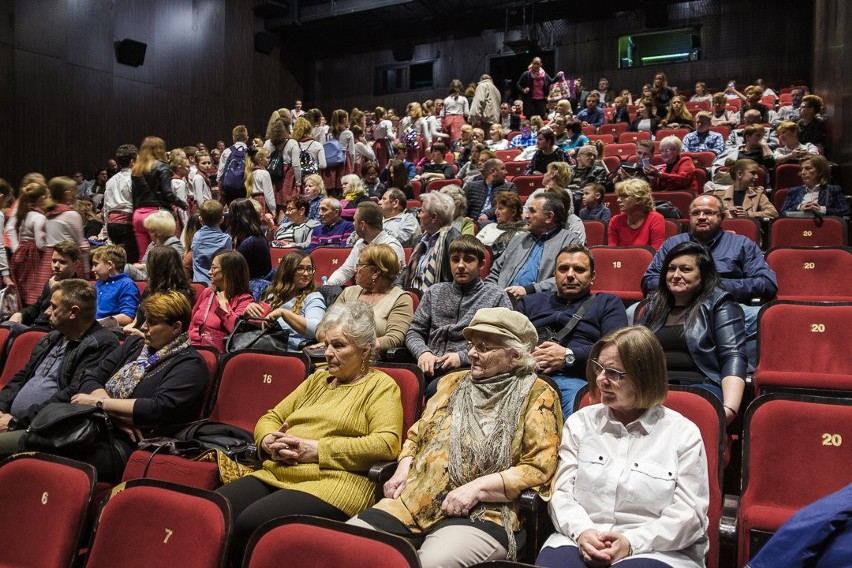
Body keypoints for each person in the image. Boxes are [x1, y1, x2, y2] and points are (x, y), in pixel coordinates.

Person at [350, 307, 561, 567]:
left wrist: (476, 489)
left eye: (483, 347)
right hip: (415, 499)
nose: (471, 353)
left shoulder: (537, 393)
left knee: (430, 564)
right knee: (350, 546)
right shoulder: (450, 383)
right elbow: (417, 435)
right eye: (472, 344)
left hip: (483, 512)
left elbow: (539, 466)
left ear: (514, 356)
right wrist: (403, 468)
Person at [216, 301, 403, 563]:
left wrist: (317, 451)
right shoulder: (317, 379)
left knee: (251, 522)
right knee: (216, 509)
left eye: (338, 346)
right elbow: (271, 416)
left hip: (334, 482)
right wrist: (269, 440)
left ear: (364, 350)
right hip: (280, 470)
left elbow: (386, 445)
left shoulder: (382, 387)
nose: (327, 353)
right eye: (326, 344)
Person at [538, 326, 709, 568]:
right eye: (599, 368)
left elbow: (690, 515)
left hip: (657, 549)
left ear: (645, 376)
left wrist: (631, 542)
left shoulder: (683, 433)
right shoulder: (581, 423)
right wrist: (583, 531)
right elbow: (562, 493)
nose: (600, 379)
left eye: (614, 373)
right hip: (579, 538)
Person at [70, 291, 209, 478]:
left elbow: (157, 408)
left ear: (176, 328)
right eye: (145, 320)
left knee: (60, 457)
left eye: (152, 323)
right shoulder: (134, 346)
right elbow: (91, 378)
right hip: (97, 427)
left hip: (132, 444)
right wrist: (113, 416)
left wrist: (99, 404)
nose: (144, 327)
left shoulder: (190, 364)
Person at [642, 195, 777, 367]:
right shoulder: (673, 244)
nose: (701, 217)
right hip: (678, 305)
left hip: (726, 306)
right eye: (695, 213)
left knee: (760, 317)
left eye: (709, 213)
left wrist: (714, 286)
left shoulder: (742, 244)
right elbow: (649, 279)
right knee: (632, 312)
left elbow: (766, 283)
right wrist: (684, 288)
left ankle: (743, 373)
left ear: (721, 216)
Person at [0, 280, 119, 454]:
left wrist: (15, 421)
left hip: (47, 429)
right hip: (13, 420)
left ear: (73, 312)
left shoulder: (100, 344)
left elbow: (71, 395)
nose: (47, 312)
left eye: (54, 307)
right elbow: (21, 376)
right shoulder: (52, 338)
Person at [637, 241, 747, 423]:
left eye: (685, 269)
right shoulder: (655, 304)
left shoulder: (719, 303)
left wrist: (729, 408)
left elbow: (733, 356)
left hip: (699, 387)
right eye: (671, 269)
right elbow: (635, 348)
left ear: (703, 275)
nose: (676, 275)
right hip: (653, 386)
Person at [516, 245, 628, 416]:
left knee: (578, 409)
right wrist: (525, 358)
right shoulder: (529, 302)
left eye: (579, 269)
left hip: (574, 379)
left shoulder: (608, 303)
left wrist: (569, 355)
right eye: (563, 269)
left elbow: (616, 349)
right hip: (523, 375)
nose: (570, 275)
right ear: (554, 274)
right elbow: (508, 341)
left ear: (592, 276)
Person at [406, 235, 511, 386]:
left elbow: (504, 341)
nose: (460, 265)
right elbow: (414, 331)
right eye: (455, 260)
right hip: (428, 366)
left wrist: (462, 357)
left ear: (481, 264)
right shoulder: (434, 292)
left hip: (471, 369)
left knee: (435, 388)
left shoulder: (496, 295)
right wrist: (423, 352)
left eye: (468, 260)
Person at [486, 193, 583, 301]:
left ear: (549, 217)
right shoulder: (518, 239)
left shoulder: (569, 241)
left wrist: (529, 290)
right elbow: (495, 271)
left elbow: (568, 278)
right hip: (501, 300)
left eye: (532, 211)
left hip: (540, 303)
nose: (526, 216)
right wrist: (492, 292)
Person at [335, 244, 413, 355]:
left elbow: (394, 338)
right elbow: (324, 326)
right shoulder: (348, 292)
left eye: (360, 264)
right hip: (336, 354)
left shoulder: (400, 298)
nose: (355, 269)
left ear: (375, 272)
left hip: (372, 360)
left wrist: (355, 348)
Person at [246, 250, 326, 351]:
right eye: (300, 268)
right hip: (264, 346)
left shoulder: (313, 297)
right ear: (288, 270)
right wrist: (249, 312)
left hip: (291, 352)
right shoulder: (272, 296)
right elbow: (259, 324)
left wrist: (283, 313)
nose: (306, 273)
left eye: (310, 269)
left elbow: (316, 329)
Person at [189, 250, 253, 351]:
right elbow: (192, 321)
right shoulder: (207, 292)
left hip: (217, 355)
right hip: (192, 349)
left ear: (229, 272)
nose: (209, 272)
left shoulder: (244, 300)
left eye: (214, 268)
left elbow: (235, 330)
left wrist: (223, 305)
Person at [327, 202, 404, 286]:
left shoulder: (391, 246)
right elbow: (346, 270)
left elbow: (391, 280)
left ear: (362, 225)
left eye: (354, 220)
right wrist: (329, 285)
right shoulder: (360, 243)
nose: (353, 224)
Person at [131, 136, 187, 254]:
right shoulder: (162, 166)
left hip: (138, 215)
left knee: (143, 256)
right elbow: (167, 192)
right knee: (163, 254)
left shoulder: (136, 168)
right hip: (156, 215)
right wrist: (182, 204)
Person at [7, 241, 80, 328]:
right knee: (7, 325)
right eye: (54, 261)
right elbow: (38, 307)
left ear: (76, 264)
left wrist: (55, 289)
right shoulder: (52, 281)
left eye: (62, 262)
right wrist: (20, 314)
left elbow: (62, 318)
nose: (56, 265)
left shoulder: (77, 288)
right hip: (35, 326)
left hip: (50, 332)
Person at [403, 192, 460, 294]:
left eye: (422, 211)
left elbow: (453, 283)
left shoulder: (454, 242)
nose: (419, 215)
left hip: (438, 299)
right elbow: (408, 272)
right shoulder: (420, 240)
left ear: (433, 217)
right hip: (412, 295)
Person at [9, 182, 48, 306]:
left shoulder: (24, 214)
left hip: (22, 252)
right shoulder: (39, 217)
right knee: (34, 286)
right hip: (34, 255)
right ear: (42, 198)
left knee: (23, 284)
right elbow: (40, 244)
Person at [103, 144, 139, 263]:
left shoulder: (110, 181)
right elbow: (137, 203)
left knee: (116, 260)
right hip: (127, 223)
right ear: (133, 161)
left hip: (112, 224)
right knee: (130, 260)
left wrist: (106, 228)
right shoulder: (134, 178)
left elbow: (106, 207)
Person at [781, 155, 849, 217]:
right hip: (798, 226)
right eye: (802, 169)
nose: (803, 172)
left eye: (808, 168)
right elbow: (782, 213)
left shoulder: (833, 190)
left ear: (820, 171)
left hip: (822, 227)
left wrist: (821, 209)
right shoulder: (794, 191)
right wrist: (800, 207)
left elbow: (845, 211)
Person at [608, 178, 666, 249]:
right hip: (621, 260)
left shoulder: (655, 219)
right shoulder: (615, 221)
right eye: (619, 196)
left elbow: (656, 252)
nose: (618, 200)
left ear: (638, 200)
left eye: (624, 196)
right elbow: (612, 251)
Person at [91, 244, 140, 328]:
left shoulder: (126, 284)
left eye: (96, 265)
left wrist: (99, 323)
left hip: (111, 330)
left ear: (110, 265)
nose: (92, 269)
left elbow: (128, 317)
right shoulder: (98, 283)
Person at [126, 209, 184, 281]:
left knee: (128, 268)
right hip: (150, 278)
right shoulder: (152, 244)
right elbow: (144, 265)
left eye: (150, 230)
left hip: (164, 282)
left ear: (155, 232)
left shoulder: (175, 246)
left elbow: (167, 271)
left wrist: (143, 267)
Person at [712, 159, 778, 219]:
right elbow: (711, 215)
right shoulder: (719, 195)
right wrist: (726, 213)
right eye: (753, 173)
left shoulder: (758, 194)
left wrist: (748, 214)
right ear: (739, 174)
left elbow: (773, 213)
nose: (757, 177)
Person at [464, 159, 518, 228]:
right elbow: (462, 206)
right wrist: (464, 218)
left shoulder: (510, 187)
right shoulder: (471, 186)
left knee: (485, 223)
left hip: (497, 224)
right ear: (493, 171)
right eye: (502, 169)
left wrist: (487, 214)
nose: (506, 172)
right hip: (471, 224)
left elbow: (509, 206)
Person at [475, 192, 527, 261]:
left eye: (501, 208)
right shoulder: (490, 226)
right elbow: (473, 246)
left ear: (513, 212)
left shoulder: (522, 232)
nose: (496, 212)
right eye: (496, 208)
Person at [191, 199, 233, 285]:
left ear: (200, 219)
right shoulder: (226, 239)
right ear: (222, 219)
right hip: (218, 284)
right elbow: (228, 266)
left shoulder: (196, 237)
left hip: (199, 285)